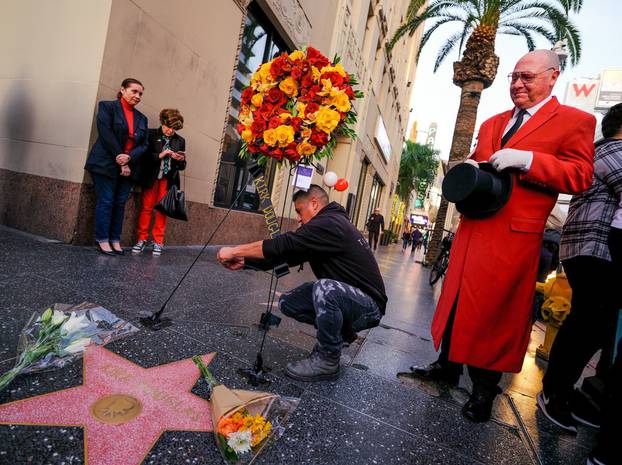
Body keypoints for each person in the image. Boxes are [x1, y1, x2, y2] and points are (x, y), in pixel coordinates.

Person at [410, 50, 596, 423]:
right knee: (457, 300)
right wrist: (467, 168)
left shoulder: (576, 120)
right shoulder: (494, 121)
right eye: (514, 77)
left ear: (553, 76)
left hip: (514, 237)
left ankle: (484, 390)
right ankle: (446, 366)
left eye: (527, 77)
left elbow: (580, 176)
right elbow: (481, 162)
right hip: (474, 225)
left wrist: (526, 160)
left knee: (497, 314)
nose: (517, 84)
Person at [216, 185, 387, 381]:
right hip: (349, 300)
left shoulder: (331, 223)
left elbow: (285, 243)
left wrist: (236, 250)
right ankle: (342, 333)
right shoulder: (326, 226)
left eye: (299, 211)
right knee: (289, 301)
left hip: (369, 307)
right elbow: (287, 254)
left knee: (325, 289)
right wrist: (246, 262)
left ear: (314, 204)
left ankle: (327, 359)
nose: (298, 217)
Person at [537, 103, 622, 457]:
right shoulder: (614, 150)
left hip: (587, 248)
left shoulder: (600, 151)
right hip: (596, 248)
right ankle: (554, 392)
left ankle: (565, 392)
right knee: (589, 323)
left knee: (597, 326)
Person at [84, 78, 148, 255]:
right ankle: (102, 239)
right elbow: (105, 132)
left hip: (129, 167)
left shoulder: (142, 118)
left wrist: (128, 158)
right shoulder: (107, 107)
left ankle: (114, 239)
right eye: (134, 91)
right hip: (105, 163)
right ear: (122, 90)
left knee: (120, 204)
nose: (137, 96)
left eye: (140, 93)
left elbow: (144, 144)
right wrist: (120, 157)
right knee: (106, 200)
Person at [132, 109, 186, 256]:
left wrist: (181, 160)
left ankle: (158, 242)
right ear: (162, 122)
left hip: (168, 180)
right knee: (146, 208)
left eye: (174, 128)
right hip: (152, 178)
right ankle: (141, 239)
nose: (170, 131)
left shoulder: (180, 141)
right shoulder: (151, 134)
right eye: (168, 127)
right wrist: (161, 155)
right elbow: (144, 157)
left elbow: (181, 167)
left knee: (162, 210)